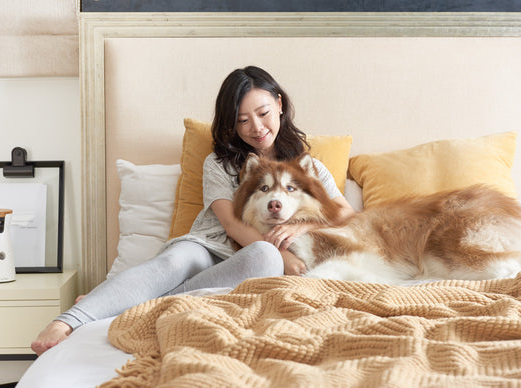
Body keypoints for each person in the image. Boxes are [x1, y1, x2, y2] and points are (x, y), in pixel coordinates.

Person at [31, 65, 354, 356]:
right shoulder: (219, 163)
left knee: (262, 257)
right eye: (242, 120)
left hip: (251, 261)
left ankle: (130, 306)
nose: (256, 127)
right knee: (175, 260)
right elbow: (229, 224)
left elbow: (345, 214)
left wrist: (299, 230)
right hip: (211, 245)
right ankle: (68, 321)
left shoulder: (305, 166)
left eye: (263, 112)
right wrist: (282, 254)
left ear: (280, 104)